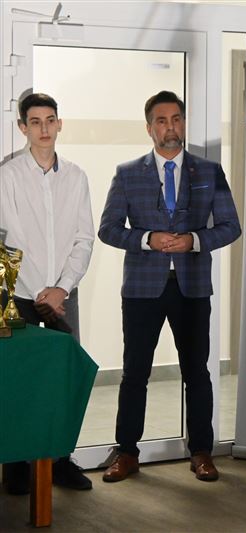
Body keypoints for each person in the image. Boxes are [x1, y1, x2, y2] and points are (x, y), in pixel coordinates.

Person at [98, 90, 241, 483]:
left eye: (176, 119)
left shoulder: (209, 172)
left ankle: (201, 452)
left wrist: (194, 240)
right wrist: (148, 239)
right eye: (161, 121)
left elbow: (231, 226)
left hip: (192, 287)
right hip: (142, 288)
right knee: (135, 373)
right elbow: (108, 229)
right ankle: (127, 453)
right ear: (150, 128)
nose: (170, 127)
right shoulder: (127, 173)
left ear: (183, 123)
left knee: (197, 373)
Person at [0, 92, 95, 493]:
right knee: (19, 377)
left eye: (50, 120)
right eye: (35, 122)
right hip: (19, 293)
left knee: (61, 379)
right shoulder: (8, 175)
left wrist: (61, 287)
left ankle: (60, 460)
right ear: (23, 127)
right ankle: (17, 464)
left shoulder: (76, 176)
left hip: (63, 294)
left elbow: (84, 238)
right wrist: (42, 289)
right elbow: (11, 238)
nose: (44, 129)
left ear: (59, 124)